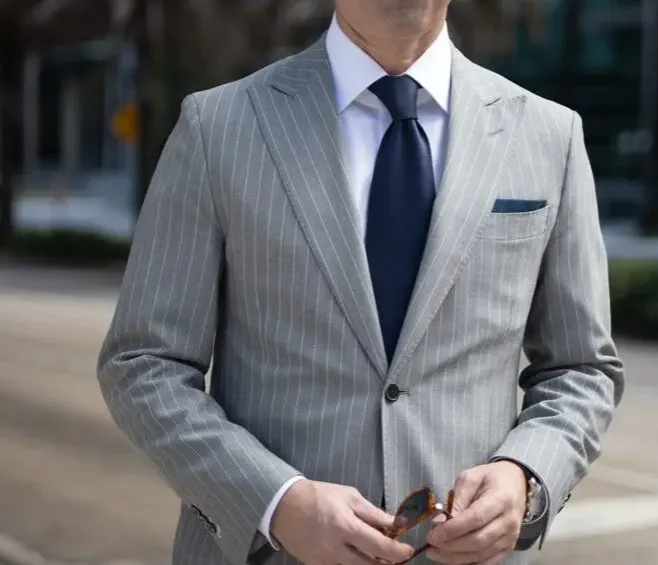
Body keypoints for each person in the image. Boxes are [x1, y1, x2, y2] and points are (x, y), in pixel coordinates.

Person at [97, 1, 625, 564]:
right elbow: (144, 363)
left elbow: (582, 368)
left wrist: (527, 475)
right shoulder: (218, 126)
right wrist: (276, 503)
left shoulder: (550, 135)